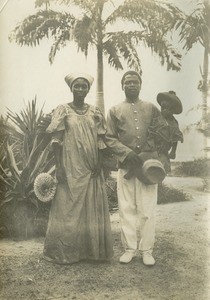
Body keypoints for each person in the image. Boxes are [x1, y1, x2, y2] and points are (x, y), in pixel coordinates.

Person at [43, 73, 113, 264]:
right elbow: (56, 141)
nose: (80, 89)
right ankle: (64, 252)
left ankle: (91, 251)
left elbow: (100, 139)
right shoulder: (63, 110)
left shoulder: (95, 112)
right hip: (70, 164)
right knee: (68, 206)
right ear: (71, 88)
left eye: (84, 86)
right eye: (77, 86)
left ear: (88, 89)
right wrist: (59, 167)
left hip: (91, 165)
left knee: (91, 204)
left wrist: (99, 162)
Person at [105, 70, 161, 266]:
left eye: (134, 82)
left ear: (140, 85)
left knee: (147, 209)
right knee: (126, 208)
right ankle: (130, 249)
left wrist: (146, 154)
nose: (131, 85)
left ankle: (147, 250)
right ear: (122, 86)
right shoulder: (114, 110)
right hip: (126, 167)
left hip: (147, 168)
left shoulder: (152, 108)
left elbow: (158, 133)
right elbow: (109, 137)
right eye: (127, 82)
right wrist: (127, 153)